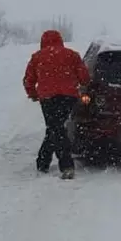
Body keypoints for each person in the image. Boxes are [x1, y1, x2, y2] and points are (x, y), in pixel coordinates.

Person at [23, 29, 90, 180]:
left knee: (55, 128)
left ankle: (64, 166)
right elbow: (84, 77)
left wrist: (33, 94)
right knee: (56, 128)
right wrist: (76, 83)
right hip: (68, 97)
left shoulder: (37, 57)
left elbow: (28, 80)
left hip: (47, 98)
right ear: (60, 40)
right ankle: (44, 162)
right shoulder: (72, 55)